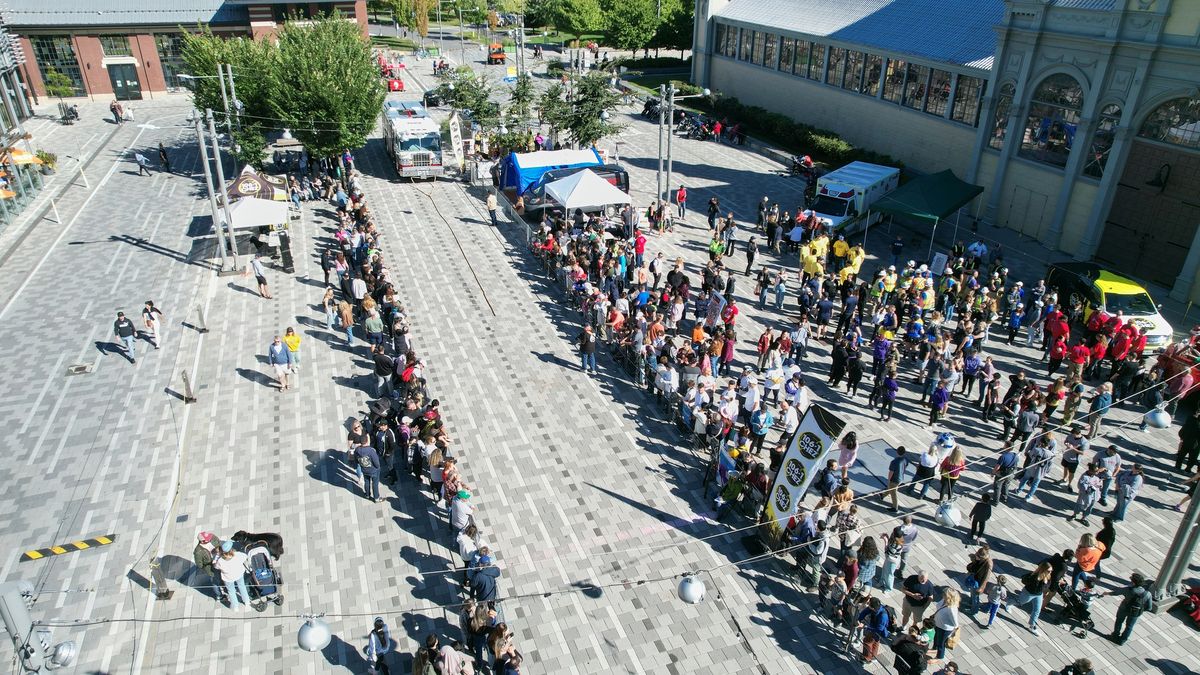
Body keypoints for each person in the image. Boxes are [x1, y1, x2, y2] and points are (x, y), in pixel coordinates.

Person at [1108, 572, 1153, 644]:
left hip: (1124, 608)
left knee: (1119, 621)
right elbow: (1149, 608)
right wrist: (1140, 609)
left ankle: (1115, 635)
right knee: (1129, 626)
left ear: (1134, 583)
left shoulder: (1128, 590)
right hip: (1135, 612)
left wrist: (1107, 593)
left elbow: (1115, 593)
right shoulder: (1147, 594)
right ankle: (1122, 640)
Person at [1011, 561, 1052, 635]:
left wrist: (1046, 588)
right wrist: (1042, 582)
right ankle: (1009, 602)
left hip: (1038, 595)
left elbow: (1046, 586)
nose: (1050, 572)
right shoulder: (1035, 577)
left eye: (1051, 571)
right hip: (1029, 593)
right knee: (1019, 602)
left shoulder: (1048, 576)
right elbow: (1031, 584)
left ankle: (1032, 626)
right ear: (1043, 570)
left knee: (1037, 610)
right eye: (1049, 571)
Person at [212, 541, 251, 611]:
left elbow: (216, 567)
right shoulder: (237, 555)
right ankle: (247, 602)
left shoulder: (220, 561)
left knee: (231, 591)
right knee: (242, 587)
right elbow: (245, 556)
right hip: (239, 574)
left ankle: (235, 606)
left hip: (228, 578)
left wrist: (214, 562)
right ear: (231, 549)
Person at [192, 532, 223, 603]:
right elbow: (199, 564)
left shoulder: (212, 537)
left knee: (222, 576)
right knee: (215, 582)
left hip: (220, 563)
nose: (210, 538)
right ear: (202, 541)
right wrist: (209, 563)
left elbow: (218, 541)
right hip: (211, 568)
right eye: (208, 539)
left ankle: (223, 584)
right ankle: (219, 595)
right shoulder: (198, 552)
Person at [931, 589, 960, 661]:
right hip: (938, 624)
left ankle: (939, 657)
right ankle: (934, 648)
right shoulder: (944, 601)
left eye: (944, 595)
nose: (942, 595)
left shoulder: (952, 609)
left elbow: (955, 622)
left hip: (945, 628)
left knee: (941, 643)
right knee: (936, 637)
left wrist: (955, 629)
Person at [885, 447, 909, 512]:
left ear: (897, 452)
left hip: (894, 479)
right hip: (901, 478)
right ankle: (883, 495)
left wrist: (889, 480)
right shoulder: (905, 459)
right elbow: (905, 466)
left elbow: (891, 472)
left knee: (893, 493)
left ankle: (895, 508)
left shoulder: (894, 462)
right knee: (892, 488)